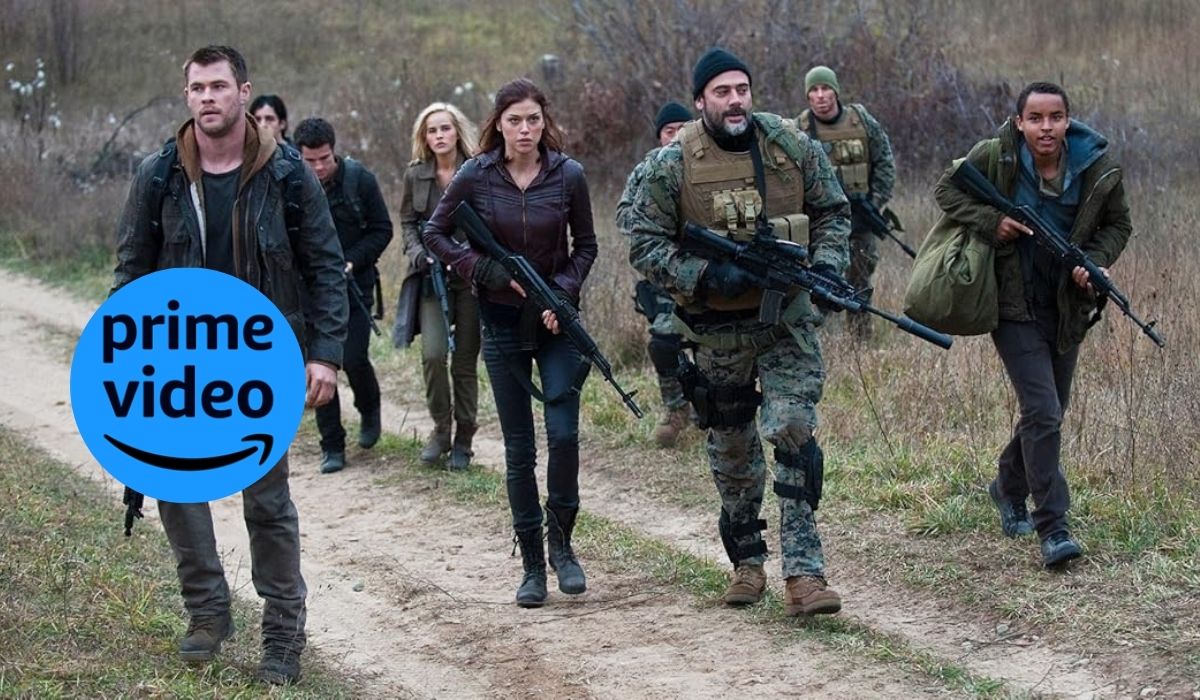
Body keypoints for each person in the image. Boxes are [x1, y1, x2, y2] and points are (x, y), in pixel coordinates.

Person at [111, 45, 347, 684]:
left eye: (219, 86)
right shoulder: (158, 174)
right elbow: (131, 271)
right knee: (175, 485)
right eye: (197, 88)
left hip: (262, 360)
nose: (207, 97)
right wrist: (121, 360)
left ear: (244, 93)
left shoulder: (288, 174)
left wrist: (325, 355)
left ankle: (283, 634)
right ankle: (208, 611)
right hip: (178, 359)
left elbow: (326, 267)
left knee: (266, 500)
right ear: (186, 95)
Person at [625, 48, 850, 615]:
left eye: (742, 89)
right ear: (700, 100)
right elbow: (644, 242)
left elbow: (833, 211)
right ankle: (748, 562)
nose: (735, 100)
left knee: (793, 430)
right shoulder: (671, 164)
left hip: (786, 322)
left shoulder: (790, 145)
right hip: (717, 330)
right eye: (722, 91)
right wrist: (706, 275)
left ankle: (805, 574)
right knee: (732, 448)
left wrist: (827, 266)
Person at [933, 82, 1131, 568]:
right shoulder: (996, 156)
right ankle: (1053, 527)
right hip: (1012, 303)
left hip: (1065, 306)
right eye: (1036, 118)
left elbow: (1118, 225)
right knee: (1043, 410)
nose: (1046, 127)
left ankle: (1007, 485)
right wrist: (991, 222)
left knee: (1051, 409)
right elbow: (946, 190)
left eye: (1055, 117)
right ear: (1019, 122)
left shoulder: (1096, 168)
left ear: (1068, 121)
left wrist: (1095, 263)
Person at [423, 79, 597, 607]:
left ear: (545, 122)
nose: (525, 130)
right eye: (515, 120)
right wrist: (485, 270)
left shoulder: (568, 174)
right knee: (519, 450)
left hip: (555, 323)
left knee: (563, 435)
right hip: (500, 322)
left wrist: (560, 293)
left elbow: (586, 247)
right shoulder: (476, 174)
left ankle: (562, 546)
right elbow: (435, 234)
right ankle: (532, 566)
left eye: (534, 120)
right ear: (498, 123)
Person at [293, 117, 393, 474]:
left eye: (325, 159)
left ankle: (369, 408)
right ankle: (331, 444)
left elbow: (382, 230)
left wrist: (352, 260)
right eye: (311, 161)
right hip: (309, 291)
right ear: (298, 155)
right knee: (318, 364)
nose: (319, 167)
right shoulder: (290, 185)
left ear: (334, 151)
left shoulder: (359, 180)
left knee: (352, 357)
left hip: (354, 287)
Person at [396, 103, 482, 470]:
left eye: (445, 128)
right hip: (431, 277)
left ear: (457, 131)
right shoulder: (415, 175)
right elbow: (407, 222)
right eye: (432, 130)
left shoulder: (478, 169)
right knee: (433, 355)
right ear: (424, 137)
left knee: (464, 362)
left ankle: (465, 438)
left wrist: (473, 256)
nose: (439, 136)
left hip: (471, 278)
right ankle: (441, 430)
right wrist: (417, 254)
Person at [616, 101, 695, 447]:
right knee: (663, 344)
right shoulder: (646, 170)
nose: (676, 136)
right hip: (665, 278)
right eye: (668, 131)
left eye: (682, 129)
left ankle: (712, 409)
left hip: (713, 276)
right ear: (659, 136)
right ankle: (676, 410)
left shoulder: (710, 164)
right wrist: (658, 225)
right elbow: (623, 217)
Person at [797, 66, 895, 339]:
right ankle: (817, 339)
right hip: (821, 224)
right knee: (820, 279)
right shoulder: (799, 129)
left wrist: (875, 202)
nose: (820, 96)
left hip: (861, 218)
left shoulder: (860, 120)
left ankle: (860, 339)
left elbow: (885, 162)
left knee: (860, 278)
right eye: (814, 90)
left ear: (836, 92)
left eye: (826, 88)